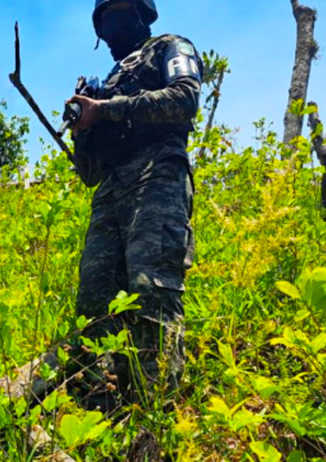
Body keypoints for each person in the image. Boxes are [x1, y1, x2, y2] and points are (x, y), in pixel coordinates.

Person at [65, 0, 203, 411]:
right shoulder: (106, 81)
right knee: (94, 309)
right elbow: (89, 172)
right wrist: (83, 126)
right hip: (108, 190)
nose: (113, 24)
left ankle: (154, 421)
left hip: (157, 174)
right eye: (105, 18)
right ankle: (95, 419)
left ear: (143, 14)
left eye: (121, 12)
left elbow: (185, 98)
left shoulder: (169, 46)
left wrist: (108, 109)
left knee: (151, 295)